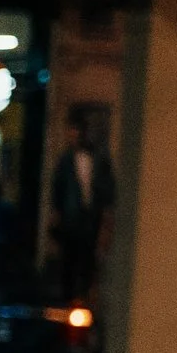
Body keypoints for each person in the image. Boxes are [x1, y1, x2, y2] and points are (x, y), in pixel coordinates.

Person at [49, 113, 115, 312]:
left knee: (87, 258)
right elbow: (58, 189)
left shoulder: (97, 158)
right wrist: (57, 213)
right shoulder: (66, 160)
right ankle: (68, 298)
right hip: (72, 217)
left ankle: (83, 297)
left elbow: (105, 189)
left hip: (88, 217)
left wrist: (104, 215)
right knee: (70, 258)